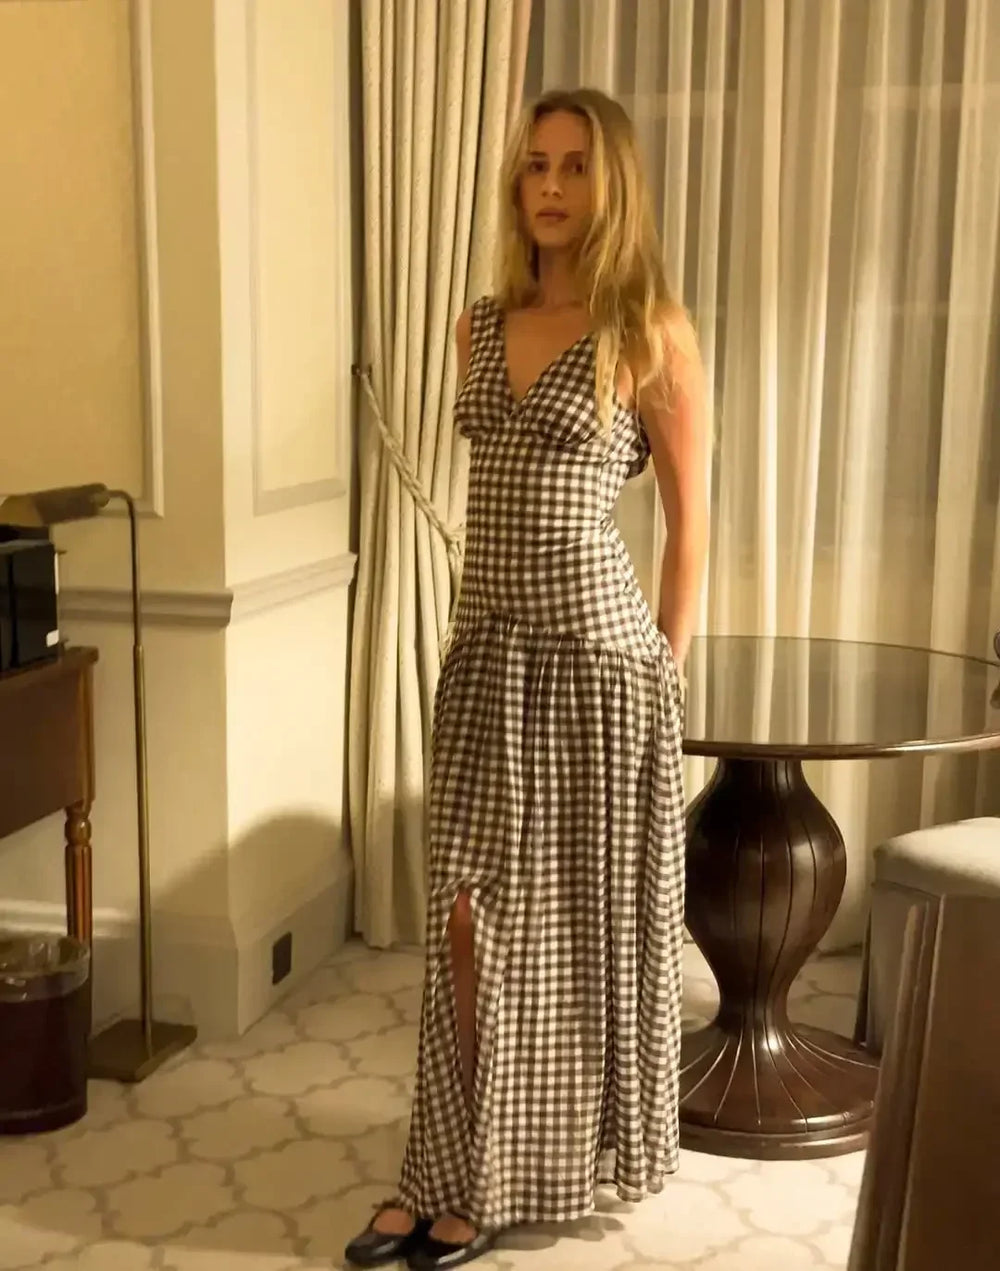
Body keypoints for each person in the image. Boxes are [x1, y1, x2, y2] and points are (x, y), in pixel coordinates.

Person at [346, 87, 710, 1271]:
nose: (548, 187)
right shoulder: (476, 324)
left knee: (564, 935)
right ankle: (441, 1162)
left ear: (613, 187)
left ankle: (485, 1180)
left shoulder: (649, 327)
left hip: (599, 665)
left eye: (574, 167)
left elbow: (688, 522)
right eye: (533, 167)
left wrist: (665, 662)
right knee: (465, 917)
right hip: (486, 658)